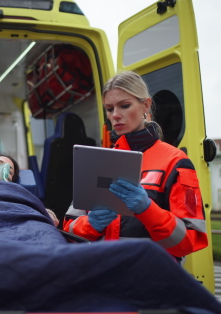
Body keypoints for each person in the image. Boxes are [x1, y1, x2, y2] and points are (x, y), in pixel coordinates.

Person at [63, 71, 208, 262]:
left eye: (124, 106)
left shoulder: (175, 162)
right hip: (103, 274)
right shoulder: (98, 160)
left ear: (145, 105)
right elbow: (69, 230)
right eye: (109, 108)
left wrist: (148, 210)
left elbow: (189, 241)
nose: (115, 115)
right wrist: (91, 224)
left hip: (152, 280)